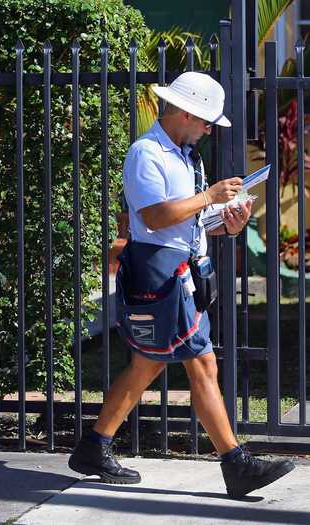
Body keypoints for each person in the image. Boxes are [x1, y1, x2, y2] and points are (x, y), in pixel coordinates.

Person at [67, 71, 295, 498]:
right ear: (186, 113)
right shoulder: (145, 153)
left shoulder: (189, 155)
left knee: (146, 364)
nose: (210, 129)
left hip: (183, 271)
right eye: (207, 121)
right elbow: (154, 217)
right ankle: (236, 464)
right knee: (201, 364)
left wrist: (227, 224)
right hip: (159, 272)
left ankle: (93, 446)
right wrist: (208, 197)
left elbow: (186, 220)